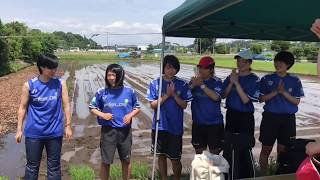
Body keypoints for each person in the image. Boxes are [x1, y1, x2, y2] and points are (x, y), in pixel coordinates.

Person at [15, 54, 73, 180]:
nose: (54, 71)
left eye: (55, 68)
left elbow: (67, 106)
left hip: (55, 132)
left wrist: (68, 126)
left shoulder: (60, 83)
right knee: (32, 166)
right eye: (50, 68)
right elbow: (22, 108)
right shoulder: (29, 85)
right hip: (34, 133)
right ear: (41, 67)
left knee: (54, 167)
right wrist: (19, 129)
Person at [89, 64, 140, 180]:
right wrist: (102, 114)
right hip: (108, 132)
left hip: (125, 131)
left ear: (120, 76)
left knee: (126, 160)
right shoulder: (102, 92)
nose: (111, 78)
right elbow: (92, 107)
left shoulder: (129, 91)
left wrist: (130, 115)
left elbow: (137, 107)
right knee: (106, 161)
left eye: (114, 75)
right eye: (109, 75)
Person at [146, 55, 192, 180]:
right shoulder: (155, 83)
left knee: (176, 159)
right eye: (168, 67)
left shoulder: (182, 84)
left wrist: (174, 96)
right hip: (160, 126)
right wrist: (167, 95)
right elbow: (153, 105)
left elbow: (184, 105)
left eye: (174, 68)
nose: (171, 70)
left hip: (175, 127)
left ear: (177, 69)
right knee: (161, 156)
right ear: (163, 68)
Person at [258, 51, 304, 176]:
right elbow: (261, 98)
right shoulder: (267, 79)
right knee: (266, 149)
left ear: (288, 64)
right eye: (276, 62)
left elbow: (296, 101)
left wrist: (284, 92)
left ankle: (279, 175)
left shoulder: (295, 80)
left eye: (280, 62)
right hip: (270, 118)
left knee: (283, 150)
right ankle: (263, 175)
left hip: (288, 119)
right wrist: (276, 92)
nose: (277, 64)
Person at [221, 49, 260, 179]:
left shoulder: (253, 79)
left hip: (245, 117)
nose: (239, 63)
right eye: (238, 60)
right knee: (229, 144)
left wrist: (236, 83)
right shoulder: (230, 77)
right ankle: (230, 174)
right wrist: (231, 82)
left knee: (244, 145)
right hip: (231, 114)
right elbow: (223, 95)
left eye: (242, 61)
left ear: (249, 63)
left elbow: (245, 100)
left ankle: (246, 175)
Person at [189, 56, 224, 155]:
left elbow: (216, 97)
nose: (201, 70)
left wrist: (202, 85)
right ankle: (202, 171)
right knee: (199, 154)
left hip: (214, 124)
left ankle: (214, 171)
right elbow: (185, 94)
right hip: (198, 124)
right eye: (200, 67)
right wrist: (193, 85)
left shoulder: (216, 81)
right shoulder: (194, 81)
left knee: (215, 154)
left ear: (211, 69)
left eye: (205, 68)